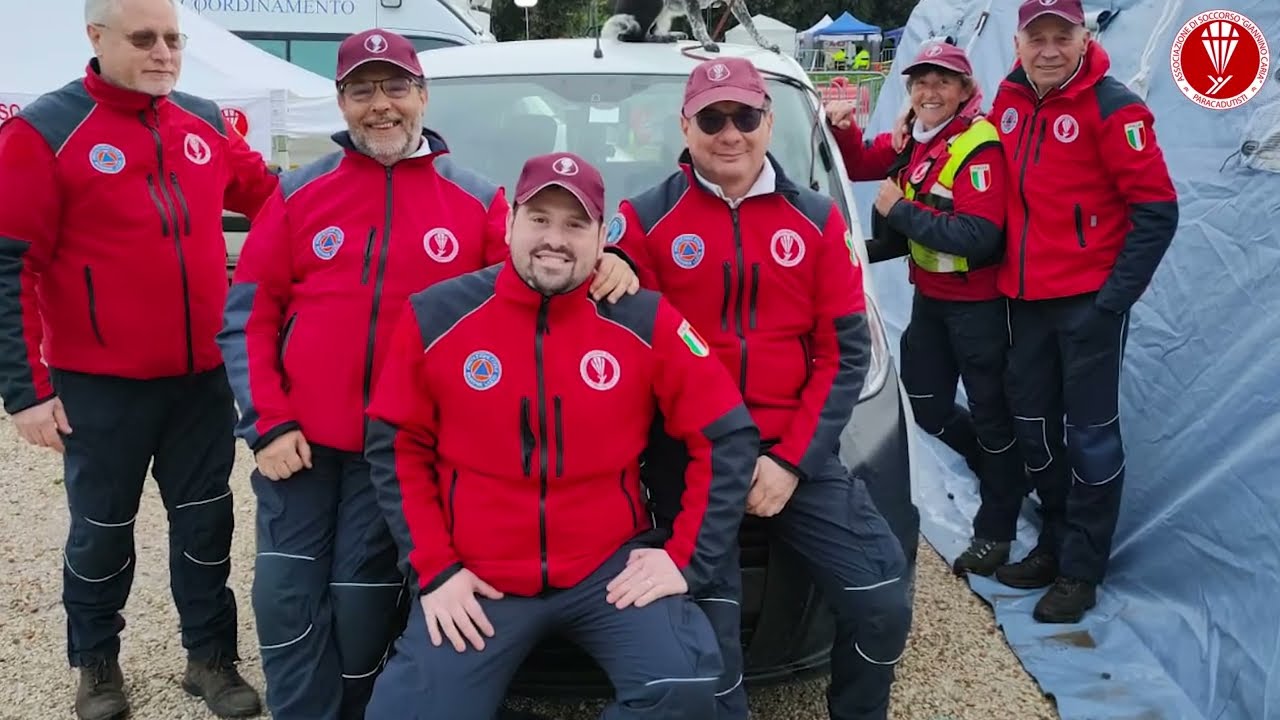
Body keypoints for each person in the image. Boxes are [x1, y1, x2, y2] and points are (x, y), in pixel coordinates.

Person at [216, 30, 640, 720]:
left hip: (396, 454)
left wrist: (616, 261)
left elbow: (536, 274)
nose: (380, 105)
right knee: (286, 600)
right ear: (342, 102)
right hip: (299, 448)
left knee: (359, 609)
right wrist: (267, 421)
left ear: (422, 95)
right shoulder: (298, 193)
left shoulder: (475, 202)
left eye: (394, 88)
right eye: (362, 90)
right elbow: (249, 315)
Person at [360, 151, 759, 720]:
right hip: (480, 575)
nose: (556, 238)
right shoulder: (435, 315)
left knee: (683, 691)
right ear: (509, 223)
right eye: (540, 219)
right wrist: (436, 570)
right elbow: (397, 446)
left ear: (602, 239)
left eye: (576, 224)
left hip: (607, 571)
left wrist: (683, 559)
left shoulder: (645, 319)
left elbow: (727, 435)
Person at [610, 57, 913, 720]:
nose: (730, 133)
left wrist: (791, 463)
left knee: (882, 599)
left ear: (768, 122)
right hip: (691, 458)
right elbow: (615, 318)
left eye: (745, 116)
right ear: (685, 128)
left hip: (792, 449)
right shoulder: (644, 218)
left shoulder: (817, 220)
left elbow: (844, 353)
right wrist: (610, 262)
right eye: (712, 118)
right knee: (711, 645)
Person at [0, 0, 278, 717]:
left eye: (174, 39)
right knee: (101, 531)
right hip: (99, 385)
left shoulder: (206, 123)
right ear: (96, 38)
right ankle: (95, 664)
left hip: (201, 380)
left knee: (207, 523)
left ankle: (210, 658)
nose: (163, 52)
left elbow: (279, 206)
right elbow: (11, 268)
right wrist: (24, 392)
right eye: (145, 38)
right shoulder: (45, 131)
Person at [988, 0, 1178, 622]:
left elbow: (1157, 212)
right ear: (1017, 43)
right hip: (1022, 301)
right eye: (1035, 37)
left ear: (1082, 37)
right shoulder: (1008, 101)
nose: (1048, 50)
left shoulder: (1114, 107)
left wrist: (1111, 302)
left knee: (1090, 437)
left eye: (1060, 37)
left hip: (1087, 305)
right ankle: (1053, 541)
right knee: (1035, 429)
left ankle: (1081, 569)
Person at [824, 43, 1025, 577]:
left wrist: (901, 210)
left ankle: (996, 531)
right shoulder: (918, 137)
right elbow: (861, 162)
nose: (929, 92)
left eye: (942, 82)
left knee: (992, 416)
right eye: (920, 81)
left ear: (965, 91)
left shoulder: (978, 146)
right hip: (931, 300)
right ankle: (998, 468)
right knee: (929, 406)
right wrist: (841, 128)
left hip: (978, 306)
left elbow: (979, 236)